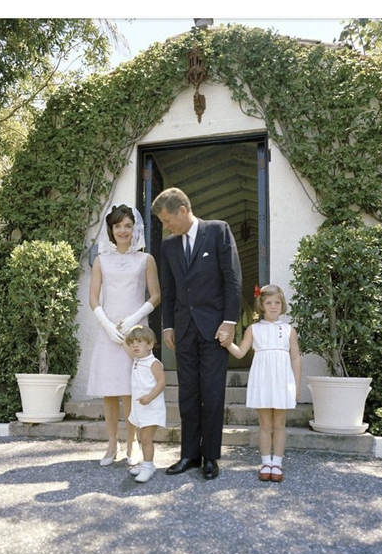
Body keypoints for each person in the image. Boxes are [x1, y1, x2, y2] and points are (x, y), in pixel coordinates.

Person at [151, 187, 242, 480]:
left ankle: (211, 457)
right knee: (188, 393)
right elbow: (169, 288)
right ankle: (189, 454)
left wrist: (229, 321)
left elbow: (232, 279)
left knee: (212, 394)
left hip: (214, 329)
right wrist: (167, 325)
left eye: (166, 220)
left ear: (182, 210)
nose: (165, 227)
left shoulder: (218, 232)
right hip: (184, 330)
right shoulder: (168, 246)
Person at [87, 204, 161, 467]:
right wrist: (106, 324)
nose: (123, 230)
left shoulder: (145, 260)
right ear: (111, 229)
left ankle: (132, 445)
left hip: (135, 332)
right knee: (110, 390)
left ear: (135, 228)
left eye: (127, 225)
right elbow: (93, 297)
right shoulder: (101, 260)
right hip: (110, 332)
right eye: (118, 226)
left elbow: (155, 295)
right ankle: (111, 444)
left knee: (131, 388)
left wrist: (133, 319)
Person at [222, 284, 301, 482]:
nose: (273, 306)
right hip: (263, 380)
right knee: (265, 424)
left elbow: (296, 358)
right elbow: (240, 352)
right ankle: (266, 462)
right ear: (262, 305)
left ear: (282, 305)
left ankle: (278, 464)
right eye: (269, 303)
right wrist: (226, 343)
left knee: (279, 424)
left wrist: (297, 386)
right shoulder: (253, 329)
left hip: (282, 380)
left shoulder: (289, 330)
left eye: (277, 302)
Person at [122, 325, 166, 483]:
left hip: (151, 407)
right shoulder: (137, 360)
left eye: (139, 341)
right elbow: (124, 343)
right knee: (142, 436)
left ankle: (148, 467)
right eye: (132, 342)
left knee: (146, 438)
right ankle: (146, 463)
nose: (134, 345)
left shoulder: (153, 363)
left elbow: (161, 382)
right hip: (140, 408)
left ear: (150, 345)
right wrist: (126, 330)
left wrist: (149, 397)